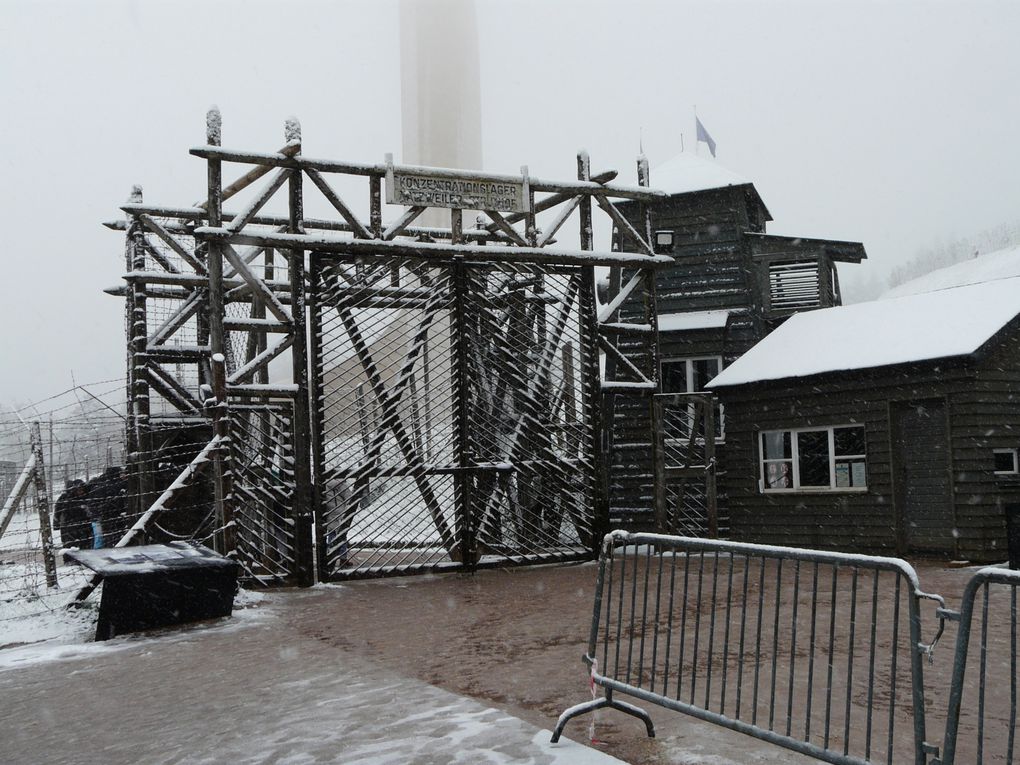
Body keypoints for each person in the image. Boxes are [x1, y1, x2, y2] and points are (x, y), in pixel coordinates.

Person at [53, 479, 93, 554]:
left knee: (84, 545)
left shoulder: (86, 497)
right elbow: (57, 511)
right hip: (68, 526)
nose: (81, 492)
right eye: (79, 490)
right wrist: (56, 524)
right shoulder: (66, 497)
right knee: (69, 546)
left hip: (83, 526)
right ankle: (70, 562)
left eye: (82, 490)